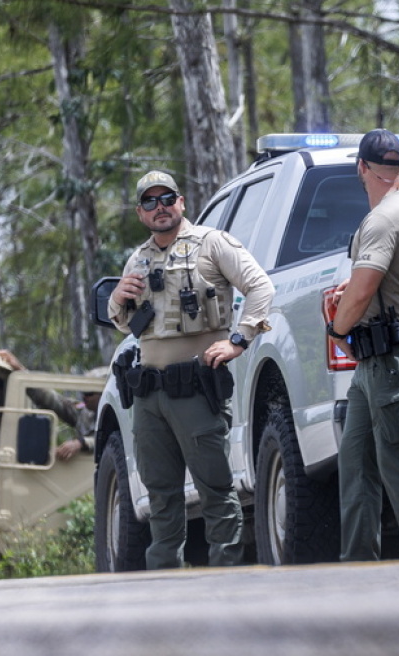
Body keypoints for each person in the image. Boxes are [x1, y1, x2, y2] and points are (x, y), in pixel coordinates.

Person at [108, 170, 273, 570]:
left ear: (181, 202)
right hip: (149, 396)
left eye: (167, 199)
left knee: (215, 490)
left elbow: (261, 287)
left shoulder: (212, 244)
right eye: (150, 202)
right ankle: (165, 587)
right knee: (160, 496)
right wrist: (117, 298)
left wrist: (238, 340)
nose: (160, 207)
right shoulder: (138, 258)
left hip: (196, 390)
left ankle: (225, 581)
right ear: (140, 212)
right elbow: (122, 322)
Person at [324, 129, 399, 562]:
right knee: (355, 468)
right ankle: (358, 567)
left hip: (391, 360)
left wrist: (337, 331)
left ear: (362, 167)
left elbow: (362, 291)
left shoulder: (382, 219)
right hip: (379, 362)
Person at [0, 349, 97, 462]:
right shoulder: (84, 411)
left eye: (89, 393)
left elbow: (114, 443)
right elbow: (53, 401)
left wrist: (81, 443)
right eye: (83, 393)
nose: (84, 397)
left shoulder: (116, 415)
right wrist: (21, 371)